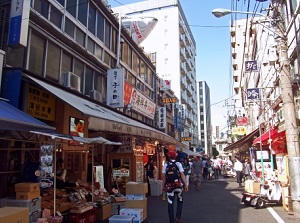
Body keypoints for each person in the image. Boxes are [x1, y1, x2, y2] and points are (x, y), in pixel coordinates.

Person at [162, 151, 188, 223]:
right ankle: (178, 218)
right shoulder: (178, 164)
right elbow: (182, 174)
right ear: (175, 156)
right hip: (178, 186)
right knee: (180, 201)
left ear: (169, 157)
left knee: (170, 203)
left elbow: (163, 176)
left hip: (169, 187)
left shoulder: (166, 165)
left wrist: (163, 186)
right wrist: (185, 184)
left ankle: (171, 221)